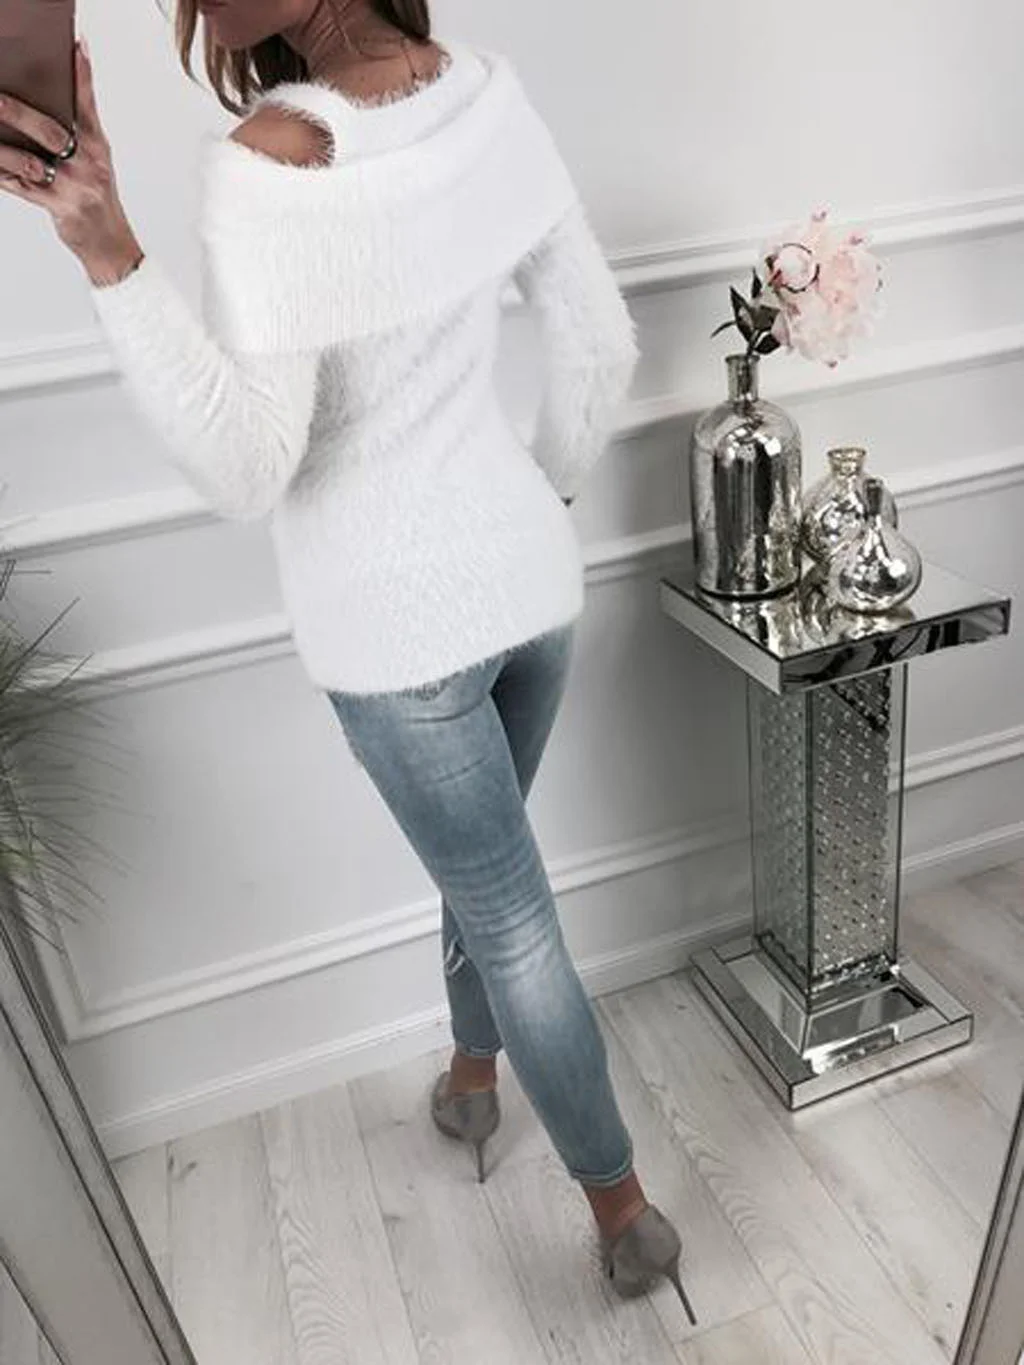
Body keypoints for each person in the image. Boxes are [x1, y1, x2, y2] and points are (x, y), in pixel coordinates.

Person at [0, 0, 694, 1321]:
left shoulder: (266, 165)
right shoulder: (488, 92)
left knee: (510, 911)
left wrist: (109, 252)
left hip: (396, 637)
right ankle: (473, 1081)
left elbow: (247, 469)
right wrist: (532, 508)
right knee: (487, 876)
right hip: (531, 586)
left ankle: (623, 1209)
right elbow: (599, 345)